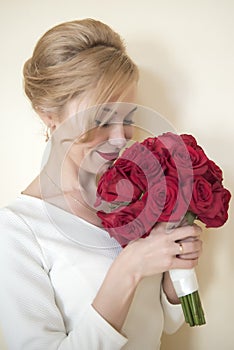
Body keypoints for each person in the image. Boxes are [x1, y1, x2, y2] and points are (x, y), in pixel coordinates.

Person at [0, 19, 203, 350]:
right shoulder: (17, 230)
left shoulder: (134, 198)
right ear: (48, 115)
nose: (121, 137)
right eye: (101, 120)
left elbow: (163, 325)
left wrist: (173, 274)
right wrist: (129, 268)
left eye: (128, 119)